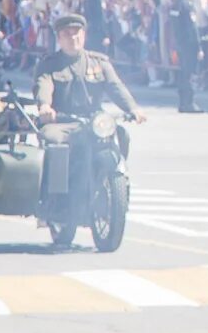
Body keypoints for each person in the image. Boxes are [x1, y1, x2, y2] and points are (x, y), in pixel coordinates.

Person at [34, 14, 144, 227]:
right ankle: (53, 201)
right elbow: (43, 85)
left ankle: (116, 182)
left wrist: (133, 108)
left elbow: (115, 86)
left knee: (121, 134)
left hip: (93, 121)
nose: (73, 38)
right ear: (59, 37)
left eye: (77, 33)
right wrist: (45, 106)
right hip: (61, 121)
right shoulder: (50, 64)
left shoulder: (99, 62)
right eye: (67, 34)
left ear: (84, 35)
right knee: (55, 143)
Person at [164, 0, 205, 114]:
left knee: (182, 73)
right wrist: (199, 47)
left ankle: (182, 102)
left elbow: (173, 22)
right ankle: (189, 103)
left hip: (180, 42)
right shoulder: (188, 5)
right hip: (189, 43)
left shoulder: (176, 4)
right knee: (189, 73)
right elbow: (193, 27)